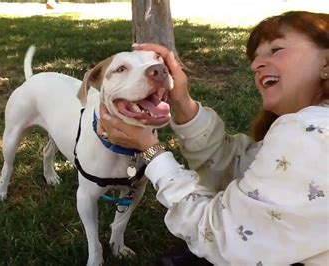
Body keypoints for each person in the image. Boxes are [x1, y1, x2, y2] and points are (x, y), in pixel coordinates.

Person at [98, 11, 329, 265]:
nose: (255, 65)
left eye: (276, 49)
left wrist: (150, 150)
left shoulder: (312, 132)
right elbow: (242, 168)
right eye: (256, 57)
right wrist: (182, 103)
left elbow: (222, 237)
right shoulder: (312, 129)